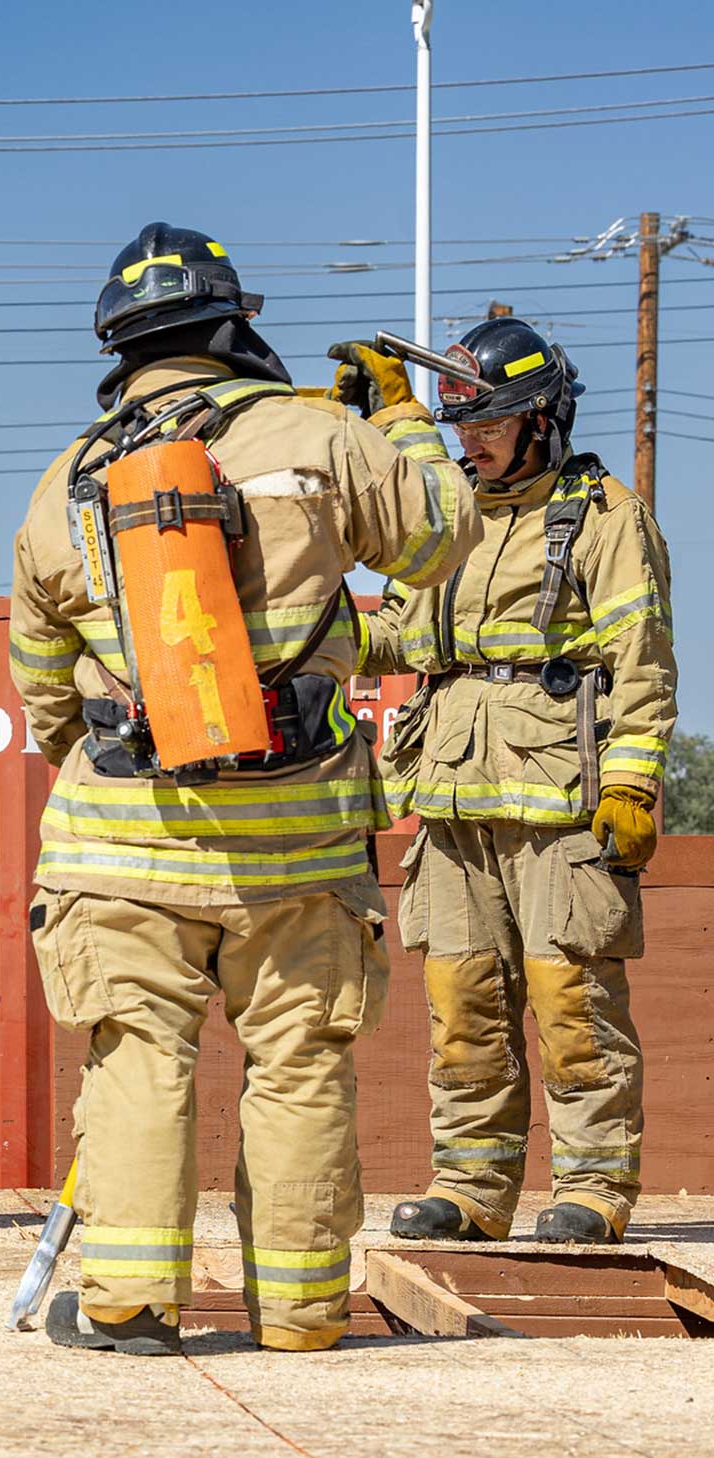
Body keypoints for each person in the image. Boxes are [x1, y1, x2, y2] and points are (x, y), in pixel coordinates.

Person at [10, 223, 481, 1354]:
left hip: (120, 833)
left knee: (135, 1060)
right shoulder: (315, 435)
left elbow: (39, 690)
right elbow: (440, 536)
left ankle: (126, 1306)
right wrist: (398, 418)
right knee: (299, 1065)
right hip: (298, 837)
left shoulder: (65, 479)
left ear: (119, 351)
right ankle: (303, 1310)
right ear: (236, 327)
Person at [359, 318, 674, 1246]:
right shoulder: (454, 515)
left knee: (571, 999)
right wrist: (304, 636)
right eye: (462, 423)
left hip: (562, 805)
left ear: (543, 417)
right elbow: (398, 635)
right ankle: (469, 1188)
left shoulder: (607, 518)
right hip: (453, 797)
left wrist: (633, 785)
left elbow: (643, 663)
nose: (472, 440)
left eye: (491, 421)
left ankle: (593, 1188)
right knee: (462, 1005)